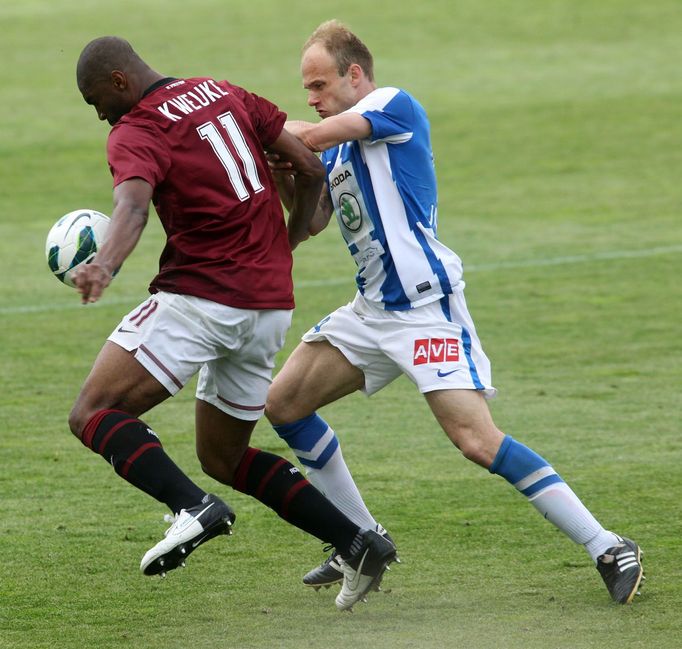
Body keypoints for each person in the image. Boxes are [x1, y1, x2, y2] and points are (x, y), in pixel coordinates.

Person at [265, 20, 644, 604]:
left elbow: (308, 135)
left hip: (424, 312)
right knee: (285, 405)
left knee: (476, 440)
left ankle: (608, 544)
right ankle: (363, 539)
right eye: (307, 90)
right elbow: (312, 220)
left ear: (355, 74)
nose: (311, 98)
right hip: (370, 312)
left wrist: (252, 128)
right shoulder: (339, 152)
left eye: (318, 85)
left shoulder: (393, 104)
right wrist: (284, 176)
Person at [69, 35, 395, 612]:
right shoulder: (224, 93)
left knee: (94, 412)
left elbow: (133, 206)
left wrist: (105, 264)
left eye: (99, 101)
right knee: (224, 457)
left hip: (203, 297)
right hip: (268, 305)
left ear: (120, 81)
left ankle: (192, 509)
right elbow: (307, 165)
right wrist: (287, 239)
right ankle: (358, 542)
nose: (101, 116)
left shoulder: (136, 129)